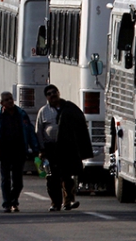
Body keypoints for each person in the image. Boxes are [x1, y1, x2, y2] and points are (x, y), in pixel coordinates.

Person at [35, 84, 93, 212]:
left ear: (58, 92)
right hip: (50, 149)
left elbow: (79, 125)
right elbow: (39, 131)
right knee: (52, 178)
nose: (52, 95)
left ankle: (68, 201)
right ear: (46, 97)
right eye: (49, 94)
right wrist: (41, 149)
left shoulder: (69, 108)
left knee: (67, 176)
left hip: (67, 148)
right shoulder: (43, 111)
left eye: (54, 92)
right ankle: (55, 203)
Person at [0, 91, 39, 213]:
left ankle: (14, 200)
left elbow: (29, 131)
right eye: (7, 100)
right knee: (5, 180)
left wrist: (35, 148)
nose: (10, 101)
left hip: (19, 151)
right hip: (4, 152)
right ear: (2, 103)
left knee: (18, 181)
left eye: (11, 99)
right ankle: (7, 204)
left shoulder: (21, 114)